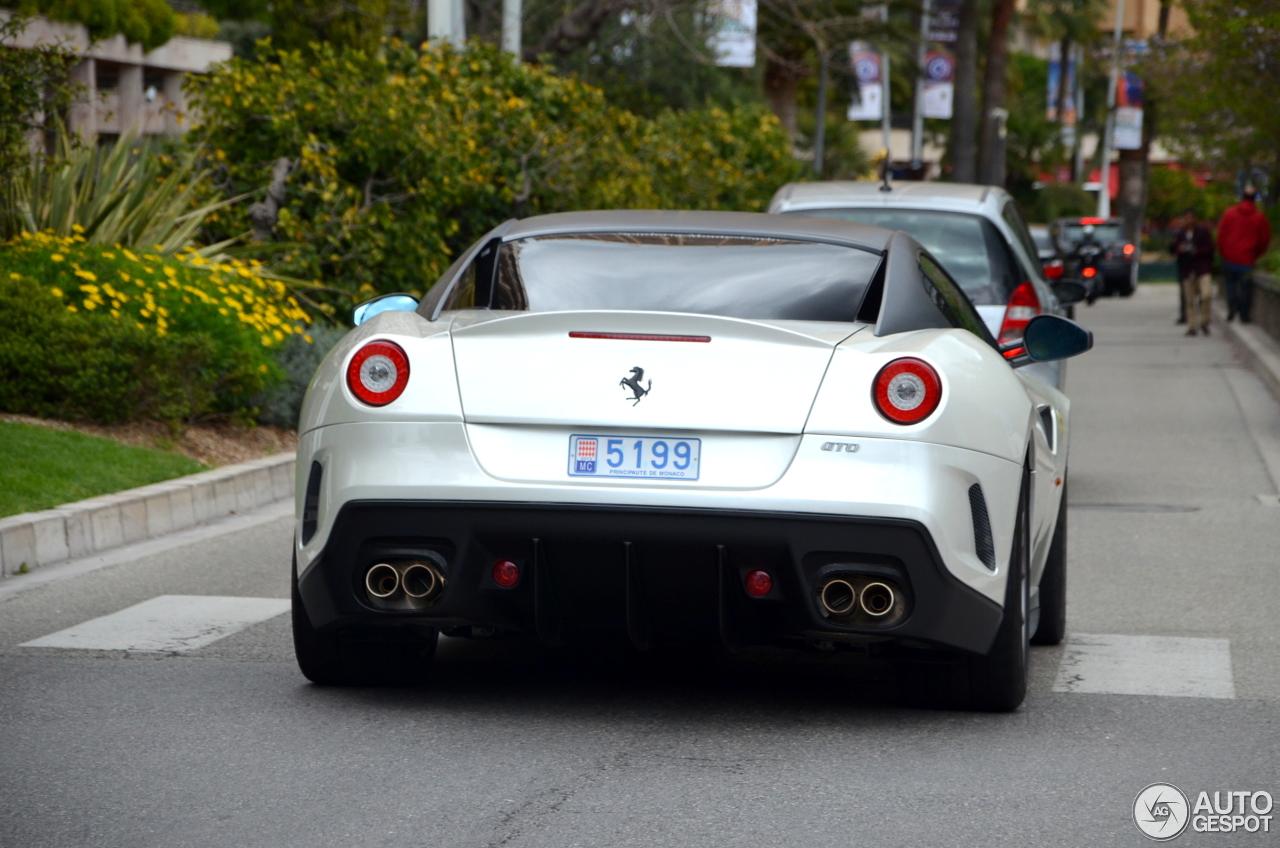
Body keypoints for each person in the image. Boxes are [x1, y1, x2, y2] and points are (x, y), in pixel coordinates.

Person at [1216, 185, 1272, 322]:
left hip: (1229, 257)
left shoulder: (1229, 213)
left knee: (1231, 285)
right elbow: (1264, 239)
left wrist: (1224, 252)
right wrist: (1256, 254)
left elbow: (1221, 236)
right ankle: (1244, 314)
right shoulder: (1259, 217)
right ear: (1254, 199)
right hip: (1248, 259)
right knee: (1246, 288)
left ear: (1242, 197)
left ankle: (1232, 308)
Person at [1171, 210, 1215, 336]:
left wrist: (1197, 250)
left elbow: (1210, 248)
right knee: (1190, 299)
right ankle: (1192, 326)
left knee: (1206, 295)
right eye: (1186, 218)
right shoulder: (1180, 234)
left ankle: (1204, 321)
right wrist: (1179, 248)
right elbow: (1174, 250)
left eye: (1191, 218)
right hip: (1187, 269)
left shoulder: (1203, 232)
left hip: (1202, 268)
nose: (1189, 220)